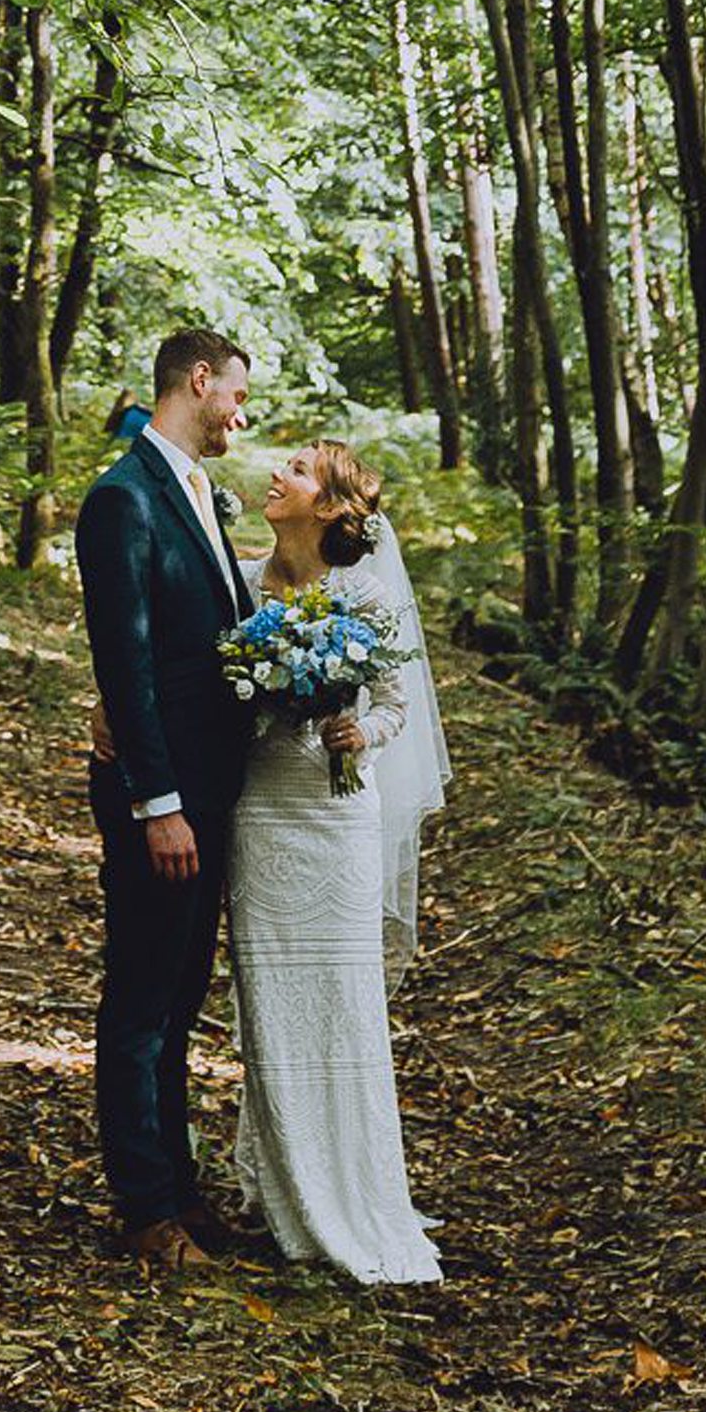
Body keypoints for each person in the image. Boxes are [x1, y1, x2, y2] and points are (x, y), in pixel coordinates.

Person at [225, 438, 446, 1287]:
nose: (276, 474)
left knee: (341, 1004)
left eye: (298, 470)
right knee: (270, 1002)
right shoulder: (243, 582)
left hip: (335, 812)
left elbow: (395, 705)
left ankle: (350, 1188)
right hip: (264, 811)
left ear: (327, 506)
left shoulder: (362, 590)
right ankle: (281, 1191)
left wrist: (361, 732)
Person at [74, 326, 254, 1272]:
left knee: (183, 994)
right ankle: (143, 1202)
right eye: (235, 394)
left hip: (212, 787)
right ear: (198, 381)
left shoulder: (197, 492)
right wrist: (159, 801)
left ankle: (179, 1185)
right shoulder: (120, 498)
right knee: (142, 995)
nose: (241, 413)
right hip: (165, 797)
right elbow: (126, 659)